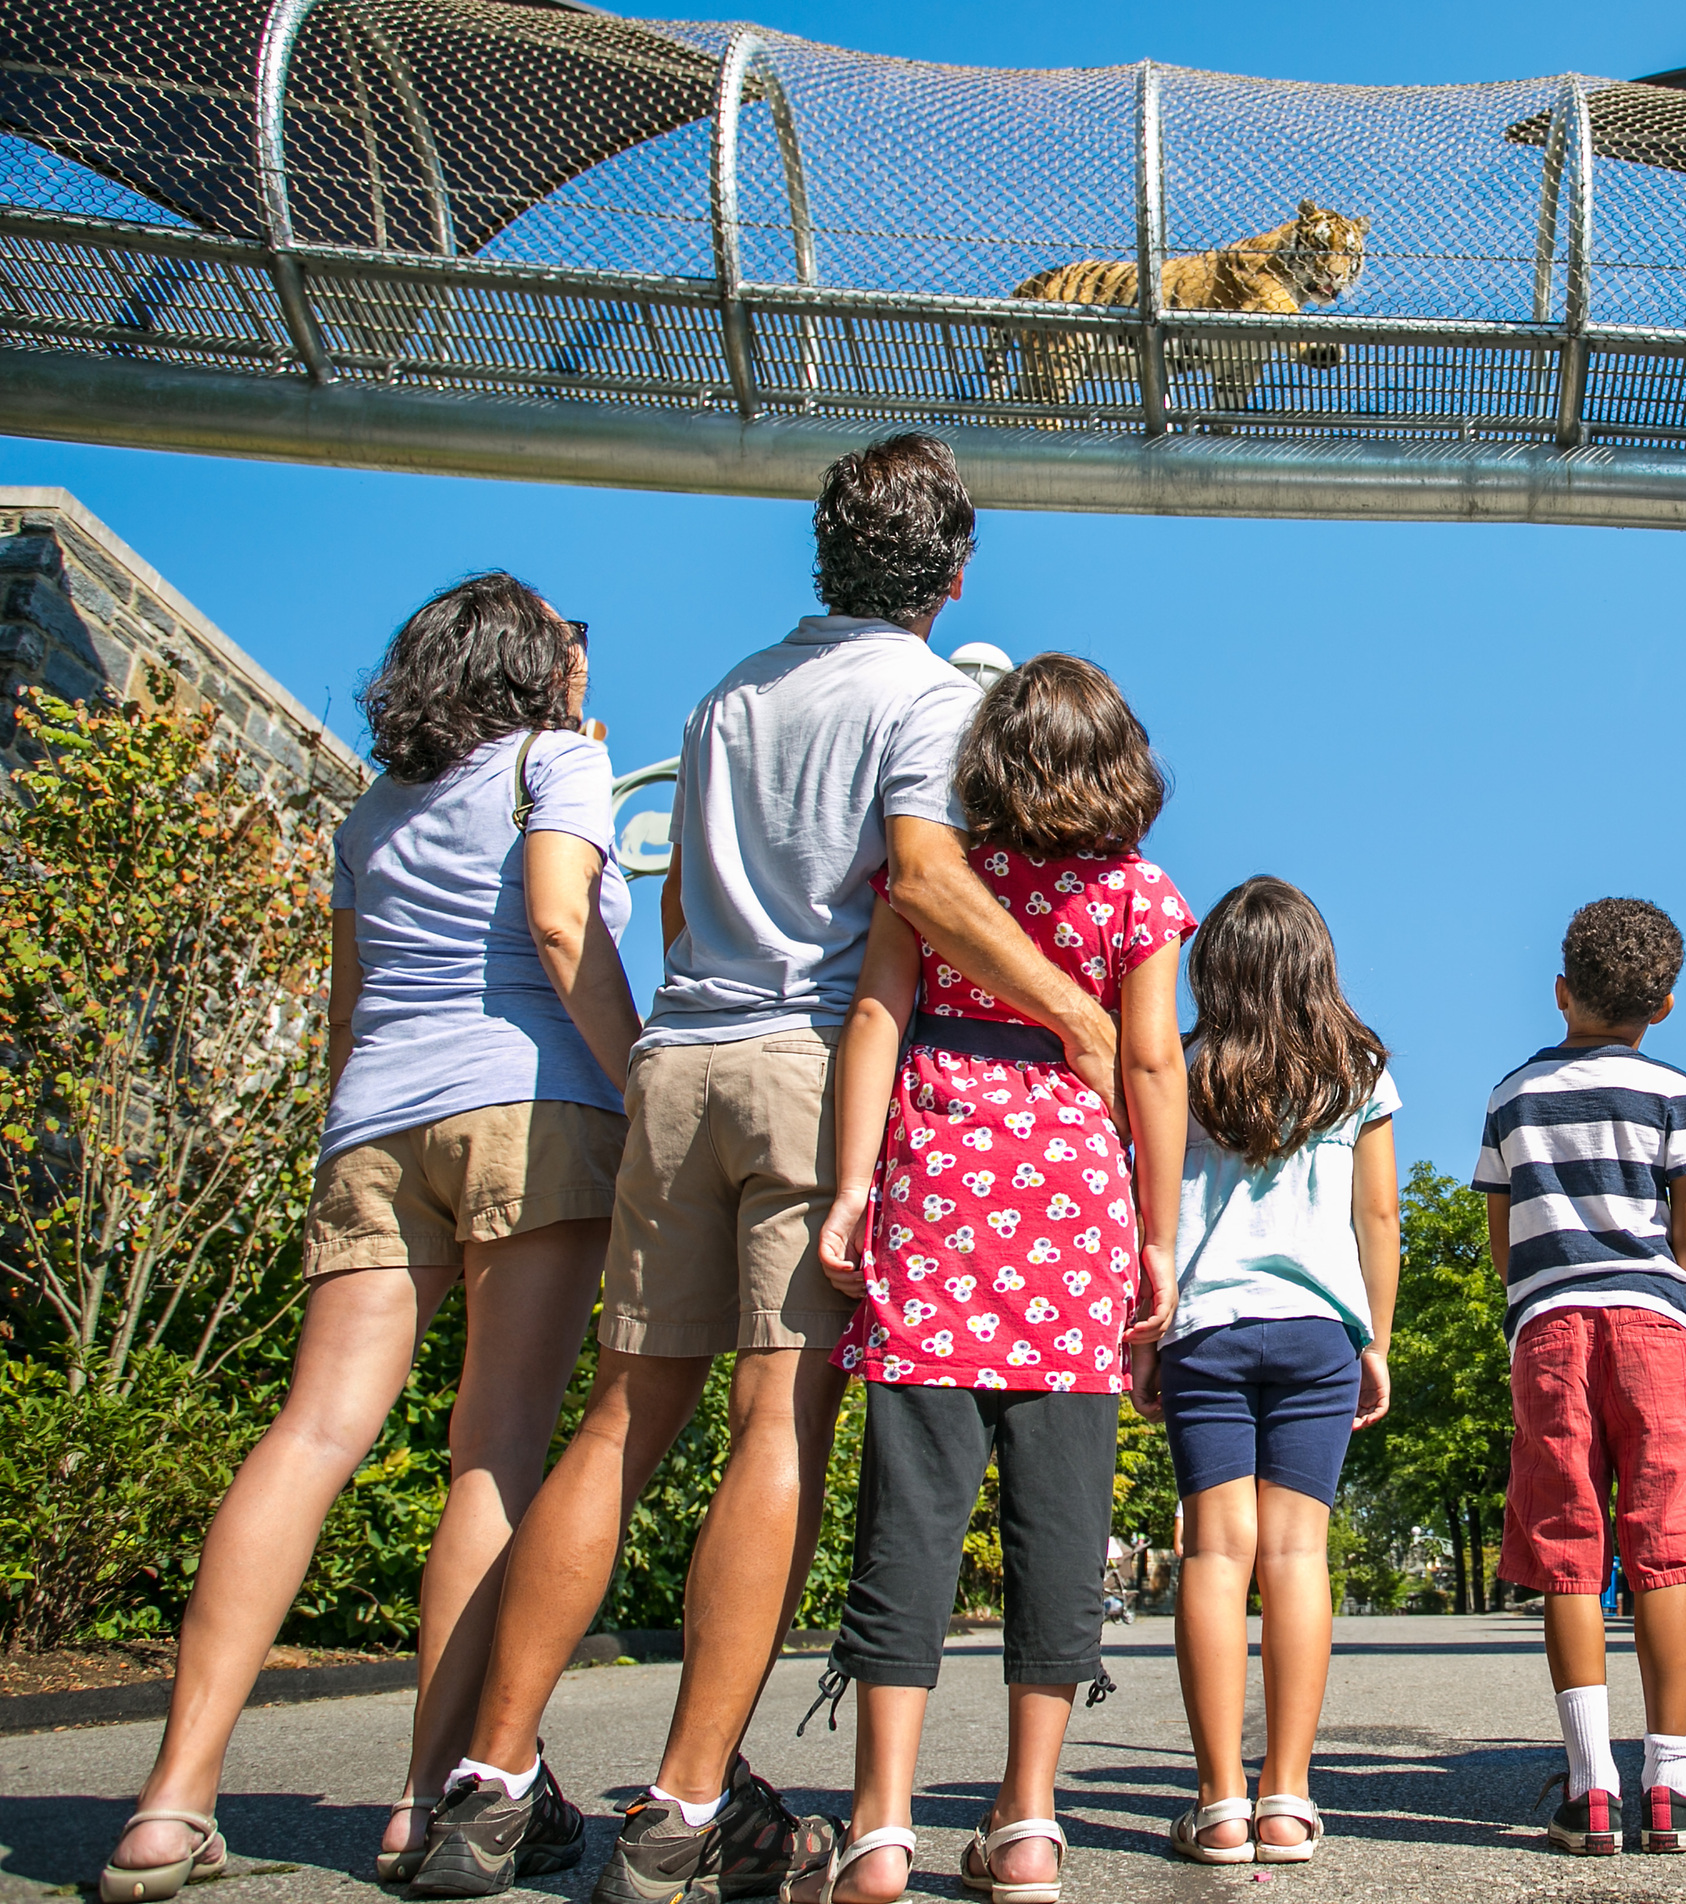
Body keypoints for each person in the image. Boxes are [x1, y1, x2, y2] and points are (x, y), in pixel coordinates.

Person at [412, 434, 1129, 1904]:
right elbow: (923, 883)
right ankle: (679, 1810)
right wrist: (1072, 1010)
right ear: (955, 567)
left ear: (823, 553)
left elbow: (674, 899)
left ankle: (483, 1785)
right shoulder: (929, 699)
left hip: (683, 1058)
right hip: (813, 1069)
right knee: (775, 1428)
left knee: (616, 1424)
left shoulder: (731, 689)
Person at [98, 576, 638, 1904]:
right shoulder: (556, 766)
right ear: (530, 669)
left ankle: (171, 1803)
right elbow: (562, 926)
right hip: (528, 1100)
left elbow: (347, 1004)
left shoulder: (371, 811)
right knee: (496, 1446)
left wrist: (348, 1132)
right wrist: (643, 1098)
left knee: (310, 1435)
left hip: (375, 1122)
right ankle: (424, 1798)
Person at [786, 652, 1190, 1904]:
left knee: (909, 1511)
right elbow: (1156, 1068)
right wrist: (1159, 1235)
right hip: (1075, 1217)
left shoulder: (943, 881)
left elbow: (875, 1019)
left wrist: (852, 1185)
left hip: (939, 1195)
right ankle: (1026, 1823)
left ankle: (882, 1825)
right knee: (1059, 1519)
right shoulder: (1141, 896)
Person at [1141, 876, 1401, 1866]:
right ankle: (1287, 1798)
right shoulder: (1357, 1070)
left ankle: (1218, 1802)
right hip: (1316, 1332)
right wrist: (1373, 1336)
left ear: (1214, 969)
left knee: (1215, 1552)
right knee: (1297, 1554)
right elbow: (1378, 1217)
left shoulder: (1183, 1065)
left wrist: (1146, 1330)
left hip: (1206, 1327)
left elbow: (1150, 1206)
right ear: (1315, 965)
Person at [1474, 898, 1686, 1856]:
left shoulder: (1512, 1095)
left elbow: (1504, 1243)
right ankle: (1670, 1782)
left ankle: (1589, 1786)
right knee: (1667, 1540)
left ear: (1560, 990)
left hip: (1548, 1325)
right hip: (1656, 1325)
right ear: (1663, 1004)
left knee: (1568, 1541)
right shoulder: (1677, 1089)